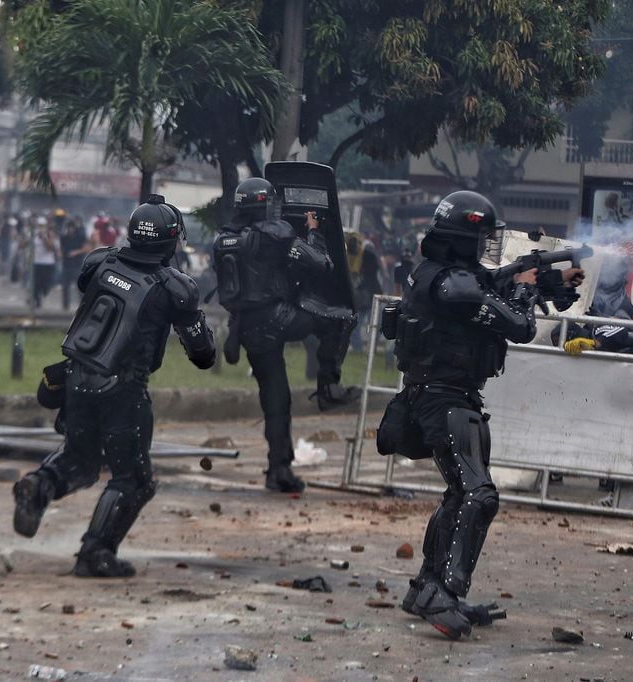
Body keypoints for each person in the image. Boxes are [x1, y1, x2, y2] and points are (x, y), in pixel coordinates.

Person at [375, 190, 580, 640]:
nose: (486, 246)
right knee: (478, 495)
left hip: (450, 394)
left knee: (458, 493)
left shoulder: (449, 277)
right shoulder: (453, 285)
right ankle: (443, 592)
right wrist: (526, 286)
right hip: (442, 397)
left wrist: (543, 284)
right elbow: (519, 326)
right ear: (462, 238)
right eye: (481, 237)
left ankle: (426, 586)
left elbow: (488, 293)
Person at [11, 196, 216, 577]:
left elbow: (90, 287)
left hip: (77, 379)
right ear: (171, 240)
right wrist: (197, 323)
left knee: (80, 461)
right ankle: (96, 553)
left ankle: (37, 486)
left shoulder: (100, 261)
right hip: (123, 390)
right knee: (134, 480)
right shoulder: (175, 287)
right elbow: (203, 355)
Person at [212, 177, 359, 493]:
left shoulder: (224, 239)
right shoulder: (272, 236)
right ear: (263, 206)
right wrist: (314, 231)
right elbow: (321, 263)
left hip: (245, 328)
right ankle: (328, 386)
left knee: (276, 400)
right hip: (277, 318)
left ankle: (278, 469)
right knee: (341, 319)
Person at [59, 218, 92, 310]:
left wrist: (76, 252)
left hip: (77, 265)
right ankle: (65, 305)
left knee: (79, 287)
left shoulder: (80, 237)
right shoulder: (64, 238)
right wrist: (60, 254)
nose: (70, 229)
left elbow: (87, 248)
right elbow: (61, 248)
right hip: (66, 265)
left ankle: (83, 305)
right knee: (65, 287)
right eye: (69, 227)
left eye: (72, 227)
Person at [32, 215, 58, 307]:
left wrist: (44, 238)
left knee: (45, 284)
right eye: (39, 225)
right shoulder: (33, 234)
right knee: (35, 284)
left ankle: (45, 293)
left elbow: (50, 248)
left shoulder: (49, 235)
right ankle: (37, 301)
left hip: (47, 263)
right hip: (36, 262)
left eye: (42, 226)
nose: (40, 228)